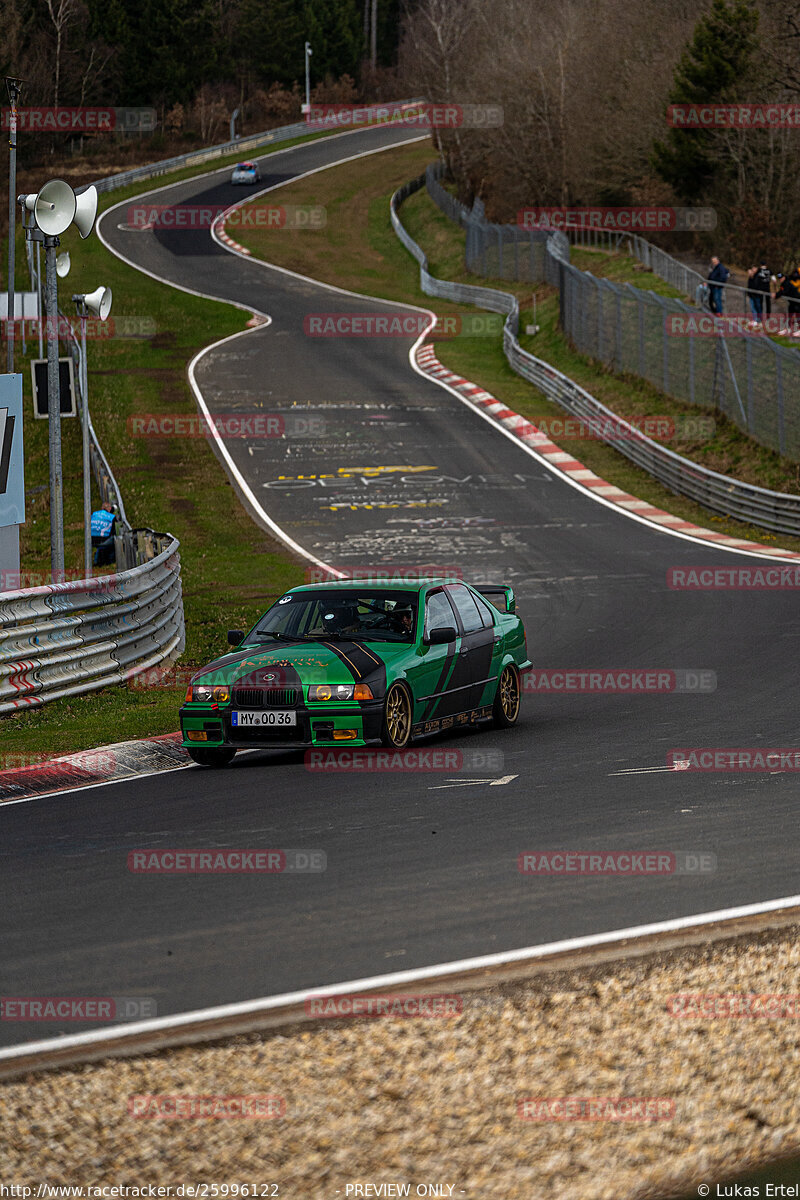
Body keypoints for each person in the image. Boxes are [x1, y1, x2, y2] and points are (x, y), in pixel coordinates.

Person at [91, 500, 117, 566]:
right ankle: (111, 561)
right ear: (110, 508)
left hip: (91, 540)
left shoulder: (94, 514)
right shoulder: (111, 517)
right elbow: (113, 531)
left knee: (99, 546)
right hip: (104, 541)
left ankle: (97, 561)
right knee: (115, 539)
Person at [774, 270, 800, 338]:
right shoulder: (783, 284)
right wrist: (776, 295)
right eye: (779, 278)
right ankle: (787, 329)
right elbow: (781, 291)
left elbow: (784, 291)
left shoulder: (787, 283)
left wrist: (776, 295)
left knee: (798, 316)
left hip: (797, 301)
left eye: (781, 278)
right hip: (792, 302)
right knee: (789, 316)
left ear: (784, 277)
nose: (780, 279)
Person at [750, 262, 772, 326]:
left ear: (760, 265)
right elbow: (774, 280)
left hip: (761, 290)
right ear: (766, 265)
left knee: (760, 303)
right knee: (768, 303)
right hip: (767, 289)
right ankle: (767, 317)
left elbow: (754, 278)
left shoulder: (759, 271)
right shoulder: (769, 270)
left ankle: (760, 317)